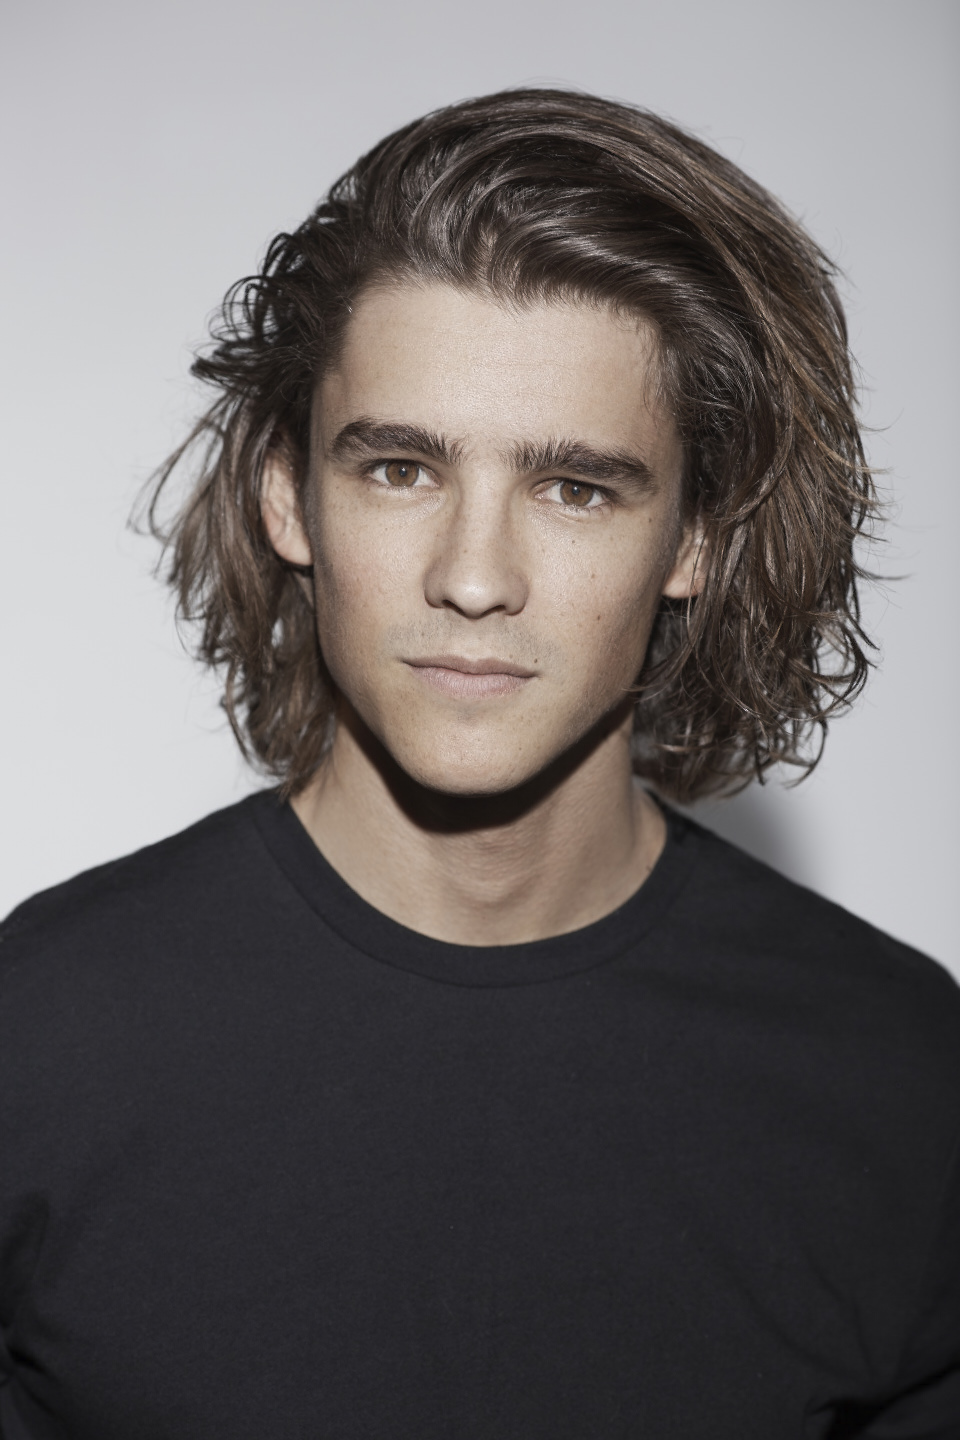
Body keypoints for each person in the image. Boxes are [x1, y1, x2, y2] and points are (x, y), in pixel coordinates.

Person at [1, 87, 957, 1440]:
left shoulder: (902, 1081)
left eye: (576, 488)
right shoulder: (37, 1038)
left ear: (694, 538)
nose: (471, 576)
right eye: (400, 469)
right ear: (287, 496)